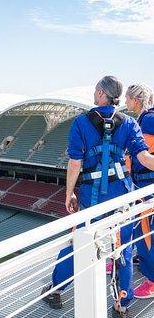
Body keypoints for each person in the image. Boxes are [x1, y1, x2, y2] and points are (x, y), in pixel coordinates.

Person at [42, 76, 154, 317]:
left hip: (92, 197)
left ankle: (57, 289)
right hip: (122, 195)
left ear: (102, 93)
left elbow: (75, 163)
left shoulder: (81, 123)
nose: (94, 93)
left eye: (96, 90)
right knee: (122, 246)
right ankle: (122, 303)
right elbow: (144, 158)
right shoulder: (129, 123)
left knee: (77, 242)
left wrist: (69, 192)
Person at [125, 83, 154, 298]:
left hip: (147, 185)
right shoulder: (143, 119)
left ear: (136, 99)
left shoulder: (149, 120)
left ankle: (152, 279)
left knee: (146, 233)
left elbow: (144, 156)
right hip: (141, 184)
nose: (125, 102)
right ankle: (141, 262)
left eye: (128, 97)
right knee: (139, 229)